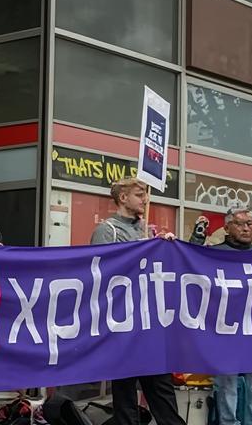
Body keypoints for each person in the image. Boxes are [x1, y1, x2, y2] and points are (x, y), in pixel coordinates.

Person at [90, 178, 183, 425]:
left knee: (162, 391)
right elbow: (102, 274)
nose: (145, 200)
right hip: (123, 323)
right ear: (123, 198)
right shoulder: (107, 230)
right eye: (140, 194)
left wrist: (165, 248)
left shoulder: (148, 230)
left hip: (149, 323)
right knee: (125, 396)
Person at [195, 207, 252, 425]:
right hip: (225, 330)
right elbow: (189, 265)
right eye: (240, 223)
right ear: (227, 228)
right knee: (226, 384)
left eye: (250, 223)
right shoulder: (215, 252)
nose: (246, 228)